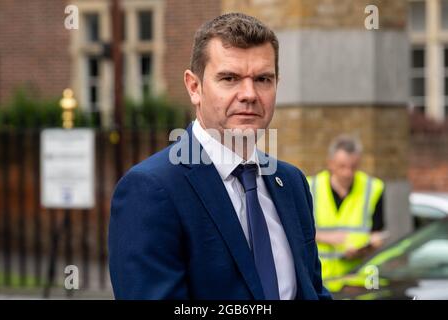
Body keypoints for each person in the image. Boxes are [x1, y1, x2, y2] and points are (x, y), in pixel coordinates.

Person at [108, 12, 331, 300]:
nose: (249, 94)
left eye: (263, 79)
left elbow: (313, 292)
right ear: (194, 87)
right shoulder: (151, 189)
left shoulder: (291, 183)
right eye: (229, 78)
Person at [307, 134, 387, 281]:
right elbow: (297, 230)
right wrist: (327, 237)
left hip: (357, 280)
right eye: (342, 166)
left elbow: (377, 234)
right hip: (319, 279)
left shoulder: (373, 188)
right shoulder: (310, 187)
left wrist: (367, 247)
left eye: (353, 167)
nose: (348, 173)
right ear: (330, 163)